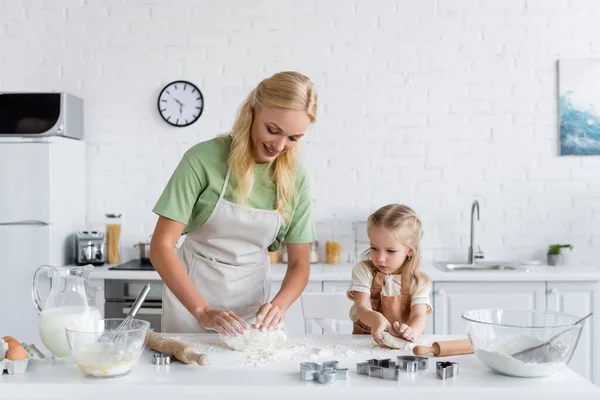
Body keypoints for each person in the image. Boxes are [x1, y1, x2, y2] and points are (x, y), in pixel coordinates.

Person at [150, 71, 318, 337]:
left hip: (253, 312)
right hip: (191, 305)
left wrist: (278, 306)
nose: (279, 145)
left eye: (293, 138)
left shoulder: (296, 178)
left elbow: (299, 263)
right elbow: (161, 246)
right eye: (272, 130)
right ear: (252, 112)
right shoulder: (203, 159)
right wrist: (201, 311)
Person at [346, 204, 432, 345]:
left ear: (410, 250)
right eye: (374, 248)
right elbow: (362, 308)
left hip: (400, 346)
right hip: (363, 345)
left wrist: (412, 332)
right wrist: (377, 320)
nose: (380, 258)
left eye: (390, 251)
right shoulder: (364, 270)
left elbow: (418, 315)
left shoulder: (417, 280)